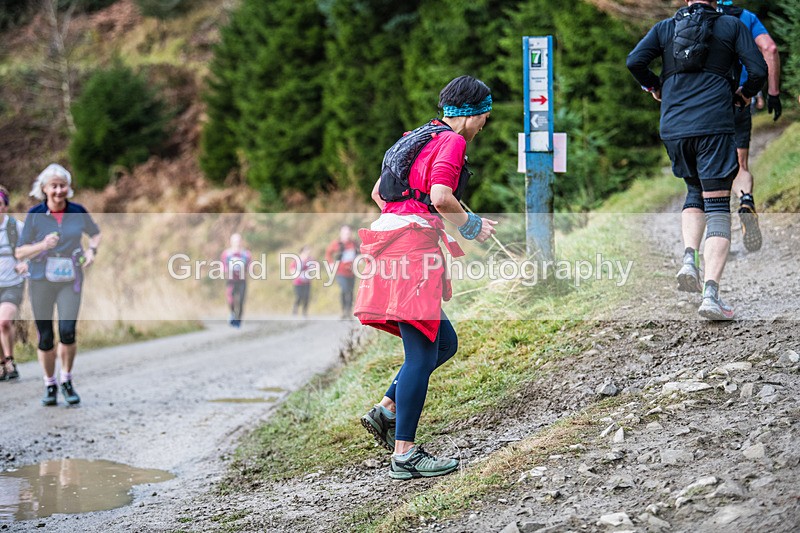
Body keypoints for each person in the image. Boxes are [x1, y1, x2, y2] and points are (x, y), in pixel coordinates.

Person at [356, 75, 497, 479]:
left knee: (443, 343)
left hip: (388, 244)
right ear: (471, 113)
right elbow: (440, 196)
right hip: (412, 252)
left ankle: (387, 410)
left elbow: (379, 194)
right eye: (485, 113)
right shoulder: (452, 142)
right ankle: (405, 454)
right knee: (420, 354)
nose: (486, 121)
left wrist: (409, 217)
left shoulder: (415, 137)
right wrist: (471, 225)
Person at [627, 0, 767, 320]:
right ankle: (711, 296)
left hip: (674, 128)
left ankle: (689, 259)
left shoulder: (665, 28)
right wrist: (745, 94)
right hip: (714, 125)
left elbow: (634, 60)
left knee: (693, 190)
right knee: (717, 205)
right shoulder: (732, 25)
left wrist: (655, 86)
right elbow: (759, 69)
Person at [15, 164, 101, 405]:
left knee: (67, 331)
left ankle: (66, 380)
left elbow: (95, 233)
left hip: (70, 279)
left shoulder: (77, 211)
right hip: (41, 279)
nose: (59, 190)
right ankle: (49, 384)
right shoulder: (35, 214)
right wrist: (42, 245)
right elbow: (20, 252)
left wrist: (91, 251)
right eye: (53, 186)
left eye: (63, 185)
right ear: (44, 189)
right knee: (45, 336)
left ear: (68, 188)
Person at [717, 0, 782, 252]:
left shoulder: (696, 17)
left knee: (710, 170)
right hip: (740, 98)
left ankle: (716, 240)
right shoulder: (745, 17)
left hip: (707, 102)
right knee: (740, 165)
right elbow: (770, 48)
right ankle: (745, 199)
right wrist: (773, 92)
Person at [0, 186, 27, 382]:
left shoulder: (16, 227)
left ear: (6, 206)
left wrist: (26, 263)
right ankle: (1, 363)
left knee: (4, 321)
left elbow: (31, 249)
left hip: (13, 282)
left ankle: (9, 360)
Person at [325, 225, 359, 319]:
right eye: (345, 233)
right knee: (344, 290)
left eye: (348, 233)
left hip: (352, 272)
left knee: (351, 291)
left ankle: (349, 311)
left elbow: (360, 253)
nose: (347, 235)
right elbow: (328, 253)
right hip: (340, 272)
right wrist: (330, 263)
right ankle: (343, 310)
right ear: (341, 233)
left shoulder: (354, 243)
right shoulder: (336, 244)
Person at [221, 233, 251, 328]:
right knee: (231, 300)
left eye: (238, 241)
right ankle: (233, 314)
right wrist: (224, 271)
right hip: (231, 280)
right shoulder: (227, 253)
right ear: (231, 242)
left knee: (241, 300)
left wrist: (250, 270)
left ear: (241, 242)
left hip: (242, 280)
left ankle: (239, 320)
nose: (237, 243)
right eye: (235, 241)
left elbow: (249, 265)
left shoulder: (246, 254)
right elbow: (223, 265)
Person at [291, 245, 314, 317]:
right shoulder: (298, 260)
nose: (308, 252)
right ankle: (295, 307)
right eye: (306, 250)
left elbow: (313, 268)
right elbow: (292, 268)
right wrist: (297, 275)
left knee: (306, 296)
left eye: (309, 250)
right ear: (302, 251)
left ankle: (304, 312)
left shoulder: (310, 259)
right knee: (299, 296)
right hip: (298, 281)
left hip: (307, 281)